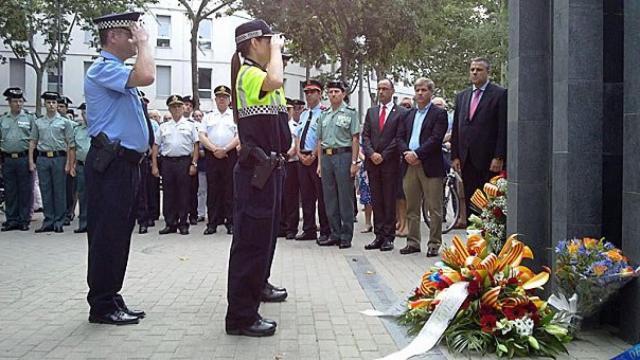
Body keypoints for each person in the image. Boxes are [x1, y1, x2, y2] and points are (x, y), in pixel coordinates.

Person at [84, 11, 154, 325]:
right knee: (107, 235)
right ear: (113, 36)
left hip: (126, 165)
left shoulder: (117, 70)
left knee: (119, 235)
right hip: (110, 165)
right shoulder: (103, 69)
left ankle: (111, 295)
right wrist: (145, 45)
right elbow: (149, 75)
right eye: (130, 34)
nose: (134, 38)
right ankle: (100, 304)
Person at [226, 19, 289, 337]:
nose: (274, 45)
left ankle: (256, 289)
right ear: (253, 43)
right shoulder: (249, 74)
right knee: (250, 243)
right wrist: (276, 51)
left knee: (263, 239)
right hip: (256, 172)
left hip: (269, 171)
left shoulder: (259, 75)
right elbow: (276, 79)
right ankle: (240, 316)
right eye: (268, 40)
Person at [397, 78, 448, 257]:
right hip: (409, 165)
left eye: (424, 90)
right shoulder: (407, 114)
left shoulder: (439, 114)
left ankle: (434, 243)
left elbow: (436, 139)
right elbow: (399, 137)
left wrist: (417, 154)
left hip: (430, 166)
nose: (420, 93)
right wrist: (407, 154)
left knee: (434, 207)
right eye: (417, 90)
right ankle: (413, 242)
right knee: (412, 206)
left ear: (430, 92)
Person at [451, 57, 507, 216]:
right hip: (466, 159)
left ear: (487, 72)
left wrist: (499, 156)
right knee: (471, 201)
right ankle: (473, 239)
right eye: (472, 69)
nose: (475, 72)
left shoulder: (499, 94)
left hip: (488, 160)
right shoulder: (462, 96)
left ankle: (487, 239)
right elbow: (456, 127)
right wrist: (455, 155)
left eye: (479, 70)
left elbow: (502, 127)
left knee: (488, 203)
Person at [361, 79, 407, 252]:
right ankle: (378, 235)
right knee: (377, 199)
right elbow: (365, 136)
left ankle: (389, 237)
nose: (381, 92)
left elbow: (399, 138)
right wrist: (371, 153)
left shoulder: (401, 113)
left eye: (385, 89)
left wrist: (384, 155)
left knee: (389, 199)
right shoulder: (371, 112)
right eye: (379, 89)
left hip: (390, 163)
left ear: (392, 91)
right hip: (372, 163)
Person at [316, 80, 360, 249]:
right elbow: (320, 141)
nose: (333, 94)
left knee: (345, 198)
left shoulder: (350, 113)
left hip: (343, 156)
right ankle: (334, 233)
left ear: (343, 94)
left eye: (336, 91)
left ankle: (346, 235)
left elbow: (355, 138)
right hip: (327, 157)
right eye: (331, 92)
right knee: (329, 198)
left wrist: (354, 162)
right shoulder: (324, 114)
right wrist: (319, 163)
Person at [29, 91, 76, 233]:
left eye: (54, 102)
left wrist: (69, 162)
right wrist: (31, 161)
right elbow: (33, 142)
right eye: (49, 102)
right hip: (43, 158)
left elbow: (70, 144)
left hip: (59, 158)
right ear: (44, 104)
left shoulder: (65, 122)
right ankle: (48, 220)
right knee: (46, 190)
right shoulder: (38, 122)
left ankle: (59, 221)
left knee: (59, 190)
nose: (51, 105)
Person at [152, 95, 199, 235]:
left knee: (184, 193)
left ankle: (183, 223)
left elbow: (196, 145)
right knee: (168, 194)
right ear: (169, 109)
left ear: (183, 108)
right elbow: (155, 146)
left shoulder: (190, 126)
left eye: (179, 106)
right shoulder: (163, 127)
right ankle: (170, 223)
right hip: (167, 162)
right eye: (174, 107)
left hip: (184, 162)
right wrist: (154, 165)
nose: (177, 109)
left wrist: (194, 164)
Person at [295, 80, 330, 241]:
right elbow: (297, 136)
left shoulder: (324, 112)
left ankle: (324, 230)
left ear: (320, 93)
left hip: (317, 159)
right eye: (307, 92)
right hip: (302, 158)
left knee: (322, 196)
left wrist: (314, 156)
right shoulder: (304, 114)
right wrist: (299, 154)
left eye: (312, 92)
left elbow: (322, 138)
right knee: (307, 196)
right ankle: (308, 229)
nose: (309, 95)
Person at [200, 85, 238, 235]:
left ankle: (231, 222)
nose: (222, 99)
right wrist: (215, 149)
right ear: (215, 99)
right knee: (213, 190)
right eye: (219, 97)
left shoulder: (234, 116)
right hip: (212, 156)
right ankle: (212, 223)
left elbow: (239, 136)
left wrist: (225, 149)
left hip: (230, 155)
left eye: (225, 97)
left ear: (229, 100)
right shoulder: (208, 116)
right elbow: (202, 136)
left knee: (230, 189)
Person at [0, 87, 34, 232]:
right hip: (7, 159)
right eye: (15, 101)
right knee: (10, 191)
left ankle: (24, 220)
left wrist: (32, 161)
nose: (18, 104)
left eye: (20, 101)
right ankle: (11, 219)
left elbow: (34, 140)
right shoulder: (3, 119)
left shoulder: (29, 118)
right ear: (9, 102)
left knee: (25, 190)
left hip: (24, 158)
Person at [279, 98, 303, 239]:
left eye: (289, 109)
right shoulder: (278, 125)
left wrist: (287, 155)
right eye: (285, 109)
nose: (287, 112)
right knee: (281, 196)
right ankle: (281, 225)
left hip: (292, 163)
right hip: (280, 163)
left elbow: (296, 145)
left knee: (292, 197)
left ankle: (291, 228)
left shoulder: (295, 126)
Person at [73, 103, 91, 233]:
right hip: (81, 166)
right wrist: (71, 164)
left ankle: (95, 223)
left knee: (97, 195)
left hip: (97, 167)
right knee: (82, 195)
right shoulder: (77, 130)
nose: (86, 115)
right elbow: (72, 149)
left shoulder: (99, 128)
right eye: (84, 113)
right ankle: (83, 223)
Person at [192, 109, 207, 223]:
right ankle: (200, 213)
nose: (197, 117)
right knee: (201, 190)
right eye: (195, 116)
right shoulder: (194, 128)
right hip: (201, 164)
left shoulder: (206, 126)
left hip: (212, 161)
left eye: (199, 115)